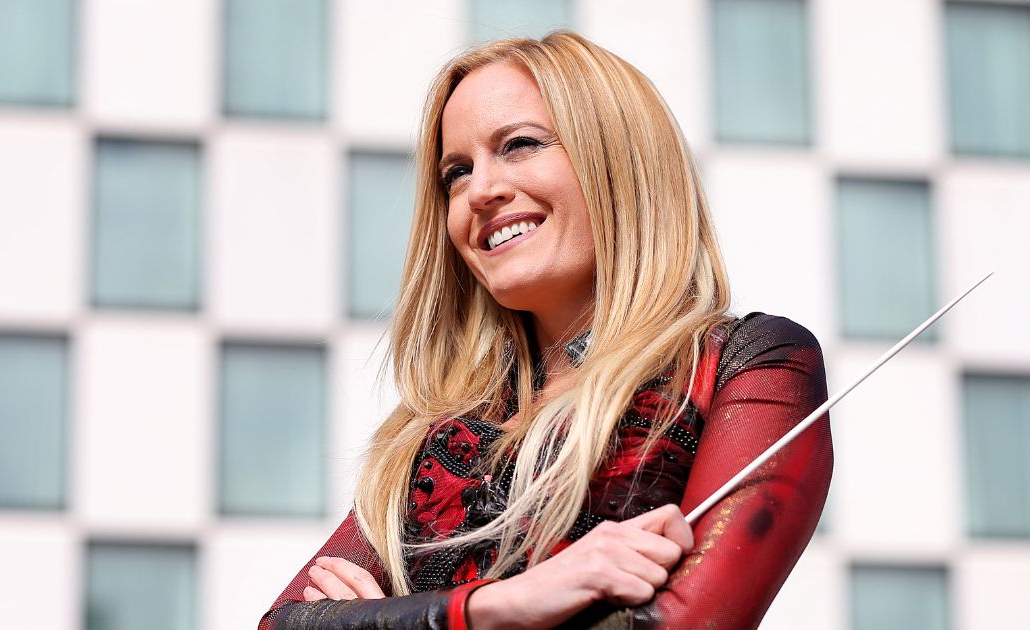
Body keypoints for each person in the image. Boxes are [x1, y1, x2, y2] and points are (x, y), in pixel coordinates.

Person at [259, 31, 832, 630]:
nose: (480, 192)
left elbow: (681, 624)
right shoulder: (427, 434)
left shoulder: (750, 363)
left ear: (619, 160)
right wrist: (504, 604)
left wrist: (378, 619)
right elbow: (281, 624)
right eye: (457, 172)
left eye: (520, 145)